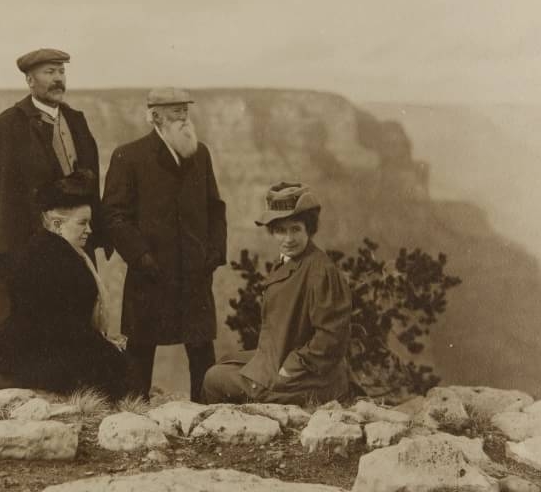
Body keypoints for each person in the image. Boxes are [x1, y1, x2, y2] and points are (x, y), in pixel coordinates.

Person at [0, 48, 107, 330]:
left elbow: (92, 181)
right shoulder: (6, 127)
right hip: (25, 246)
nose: (58, 79)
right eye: (49, 72)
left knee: (75, 318)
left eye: (61, 72)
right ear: (30, 81)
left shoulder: (76, 121)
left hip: (73, 242)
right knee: (25, 326)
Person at [101, 88, 227, 403]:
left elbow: (215, 207)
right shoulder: (128, 156)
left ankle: (207, 409)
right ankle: (133, 411)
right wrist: (141, 257)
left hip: (195, 272)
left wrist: (214, 255)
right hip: (151, 272)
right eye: (175, 112)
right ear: (156, 117)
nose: (184, 118)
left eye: (185, 111)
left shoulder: (201, 154)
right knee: (141, 346)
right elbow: (114, 216)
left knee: (201, 346)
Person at [0, 171, 128, 401]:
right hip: (40, 357)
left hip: (28, 350)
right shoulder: (56, 261)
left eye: (89, 223)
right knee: (124, 376)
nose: (89, 230)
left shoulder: (46, 249)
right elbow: (65, 330)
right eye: (82, 223)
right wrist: (107, 351)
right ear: (57, 224)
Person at [201, 183, 352, 406]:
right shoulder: (291, 262)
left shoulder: (321, 271)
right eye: (281, 230)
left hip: (309, 378)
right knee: (226, 361)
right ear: (272, 231)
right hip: (282, 357)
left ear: (308, 229)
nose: (288, 238)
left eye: (295, 229)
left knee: (213, 379)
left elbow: (331, 336)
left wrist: (290, 370)